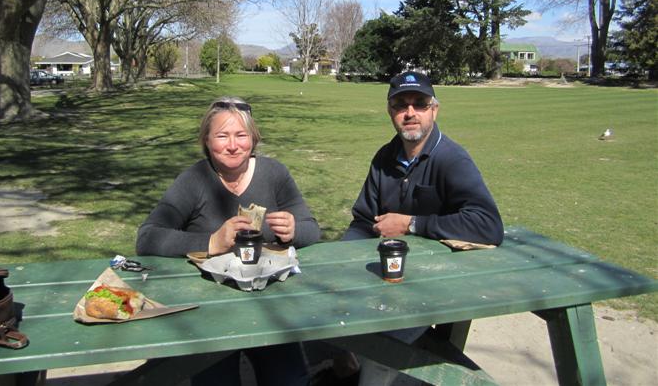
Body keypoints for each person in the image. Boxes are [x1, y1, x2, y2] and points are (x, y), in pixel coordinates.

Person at [330, 70, 504, 386]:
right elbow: (363, 220)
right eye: (401, 104)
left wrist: (411, 223)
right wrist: (340, 260)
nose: (410, 112)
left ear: (434, 110)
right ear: (390, 112)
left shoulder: (451, 158)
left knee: (380, 347)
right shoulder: (384, 158)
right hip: (391, 283)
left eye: (419, 103)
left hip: (440, 287)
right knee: (330, 318)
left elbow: (488, 225)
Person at [137, 96, 320, 386]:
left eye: (241, 135)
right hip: (210, 312)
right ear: (207, 141)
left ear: (254, 139)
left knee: (290, 380)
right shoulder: (195, 179)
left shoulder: (274, 174)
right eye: (222, 136)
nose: (233, 145)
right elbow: (147, 237)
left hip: (272, 307)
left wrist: (294, 229)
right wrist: (211, 241)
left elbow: (313, 229)